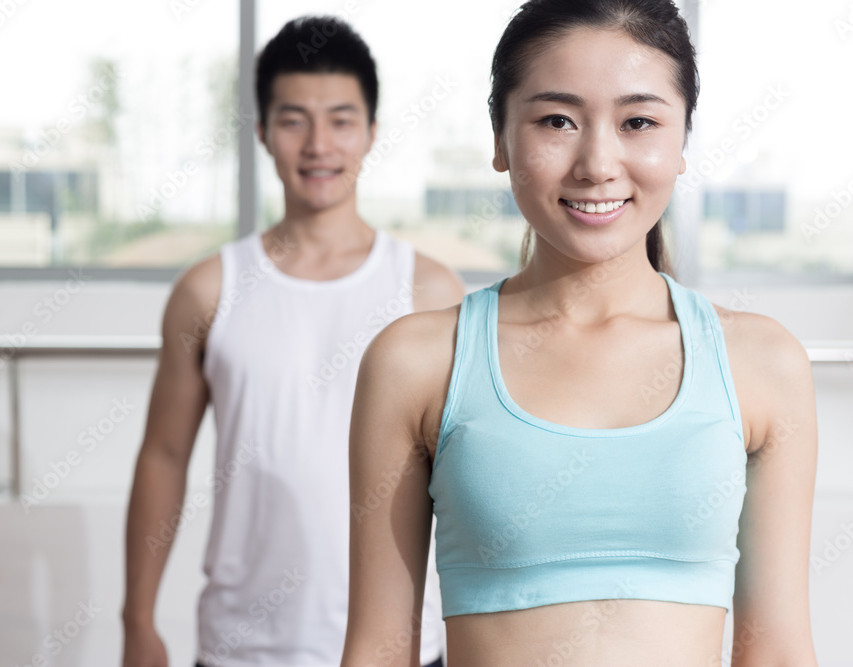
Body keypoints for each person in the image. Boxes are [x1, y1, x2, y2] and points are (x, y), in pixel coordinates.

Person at [341, 0, 819, 665]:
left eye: (639, 122)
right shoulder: (416, 362)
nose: (597, 162)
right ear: (502, 140)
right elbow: (378, 648)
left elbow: (778, 649)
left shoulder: (764, 364)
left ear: (682, 143)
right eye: (556, 120)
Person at [121, 15, 462, 667]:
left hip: (400, 648)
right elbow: (163, 455)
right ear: (261, 132)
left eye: (340, 119)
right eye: (292, 119)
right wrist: (137, 618)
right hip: (240, 647)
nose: (317, 144)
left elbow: (463, 479)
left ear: (370, 133)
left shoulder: (429, 289)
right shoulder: (208, 289)